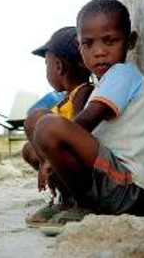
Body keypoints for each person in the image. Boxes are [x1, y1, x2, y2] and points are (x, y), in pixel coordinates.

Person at [31, 0, 144, 227]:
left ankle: (83, 206)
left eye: (110, 41)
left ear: (130, 41)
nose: (99, 52)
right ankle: (68, 201)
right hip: (109, 182)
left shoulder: (123, 74)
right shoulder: (102, 83)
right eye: (88, 44)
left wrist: (49, 157)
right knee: (36, 127)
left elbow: (87, 121)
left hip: (128, 190)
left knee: (48, 127)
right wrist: (45, 154)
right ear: (80, 48)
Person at [22, 26, 94, 227]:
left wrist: (49, 159)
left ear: (59, 66)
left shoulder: (84, 92)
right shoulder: (64, 100)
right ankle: (63, 198)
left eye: (46, 64)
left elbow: (80, 130)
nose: (46, 70)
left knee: (37, 118)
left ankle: (79, 201)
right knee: (29, 150)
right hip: (65, 158)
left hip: (80, 162)